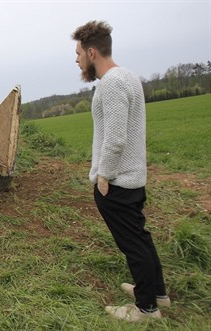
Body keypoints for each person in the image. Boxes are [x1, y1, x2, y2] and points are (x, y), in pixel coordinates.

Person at [71, 20, 170, 322]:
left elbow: (115, 138)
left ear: (92, 52)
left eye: (78, 53)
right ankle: (158, 294)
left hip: (117, 182)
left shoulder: (112, 83)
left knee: (132, 245)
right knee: (140, 237)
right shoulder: (128, 77)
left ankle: (146, 309)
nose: (76, 59)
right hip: (132, 178)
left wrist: (103, 177)